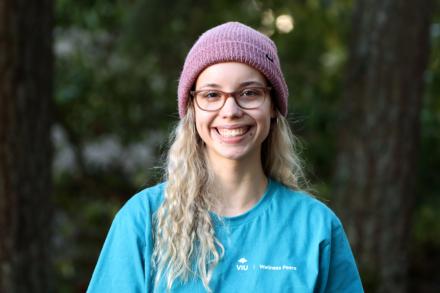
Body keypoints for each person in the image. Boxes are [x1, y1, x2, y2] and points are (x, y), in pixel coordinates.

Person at [87, 21, 363, 292]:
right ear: (193, 110)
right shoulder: (143, 219)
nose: (230, 110)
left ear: (273, 107)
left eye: (250, 93)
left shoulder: (315, 227)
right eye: (211, 95)